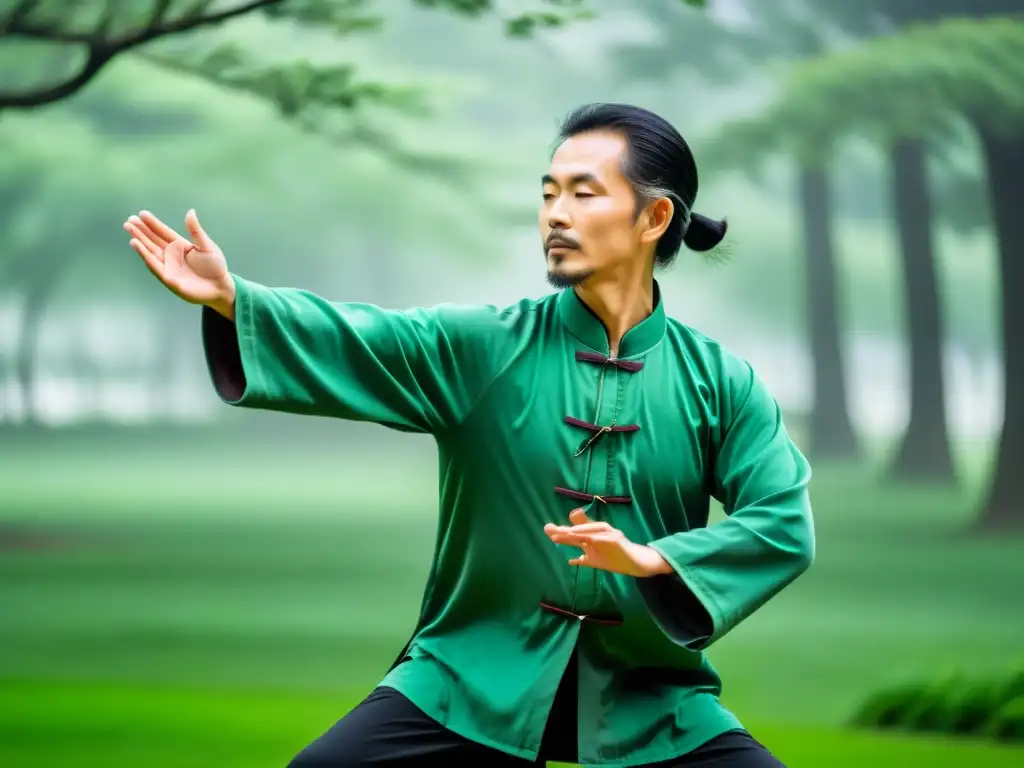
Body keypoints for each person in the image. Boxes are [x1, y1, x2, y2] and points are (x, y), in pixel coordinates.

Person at [124, 103, 814, 767]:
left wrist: (654, 562)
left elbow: (782, 522)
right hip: (471, 680)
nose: (556, 216)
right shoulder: (486, 347)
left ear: (654, 217)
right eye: (548, 195)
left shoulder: (720, 381)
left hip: (652, 698)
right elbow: (363, 339)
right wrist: (233, 298)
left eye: (584, 194)